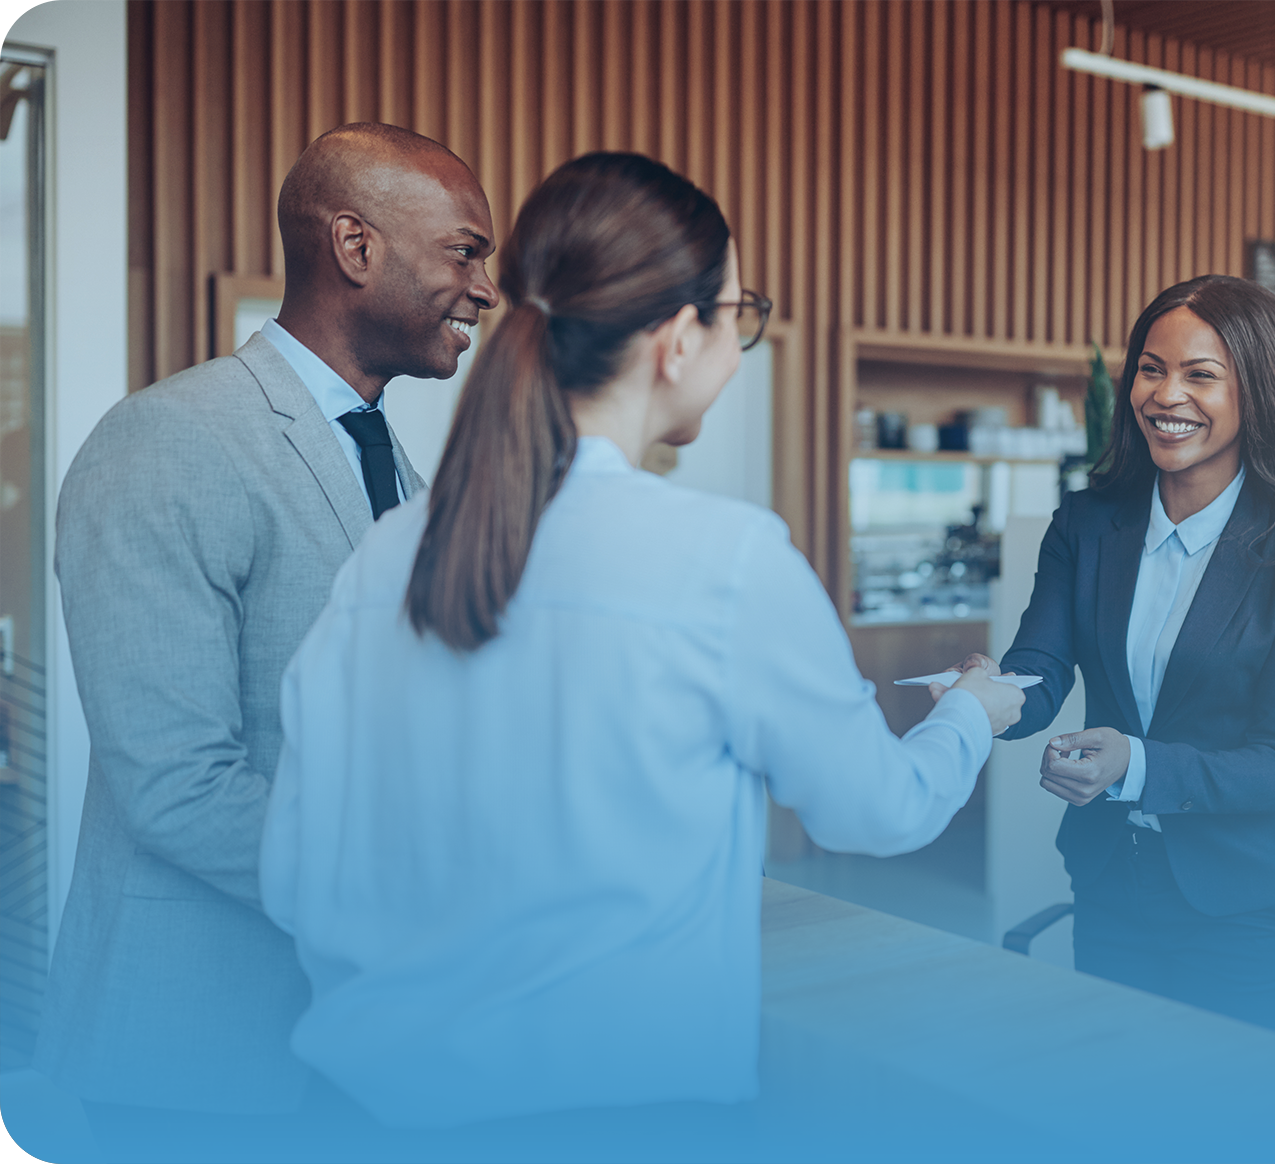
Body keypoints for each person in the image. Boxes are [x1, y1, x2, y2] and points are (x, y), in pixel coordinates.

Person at [258, 151, 1025, 1134]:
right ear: (676, 339)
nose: (741, 348)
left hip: (354, 1116)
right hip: (602, 1121)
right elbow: (878, 809)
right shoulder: (725, 559)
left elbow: (290, 875)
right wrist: (972, 709)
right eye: (740, 316)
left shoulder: (383, 559)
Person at [33, 122, 499, 1153]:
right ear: (356, 246)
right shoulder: (168, 442)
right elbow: (176, 785)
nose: (485, 288)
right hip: (194, 1050)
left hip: (351, 1042)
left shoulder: (401, 476)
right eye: (467, 250)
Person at [973, 274, 1275, 1037]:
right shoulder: (1088, 522)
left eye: (1201, 375)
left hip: (1252, 915)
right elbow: (1040, 665)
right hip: (1116, 888)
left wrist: (1132, 764)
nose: (1166, 394)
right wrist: (990, 697)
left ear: (1259, 392)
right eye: (1152, 368)